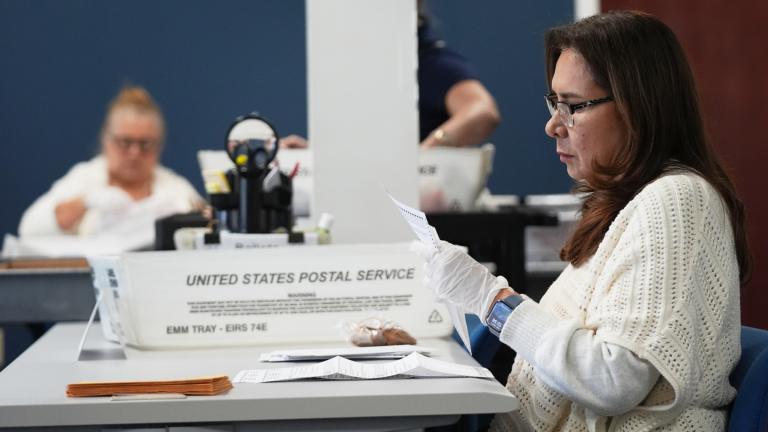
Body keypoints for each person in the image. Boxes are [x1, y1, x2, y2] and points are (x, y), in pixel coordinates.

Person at [413, 11, 749, 431]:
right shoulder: (620, 206)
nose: (553, 125)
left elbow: (612, 378)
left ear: (637, 106)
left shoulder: (679, 197)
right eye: (555, 104)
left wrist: (493, 302)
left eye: (572, 106)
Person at [280, 5, 500, 150]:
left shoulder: (431, 63)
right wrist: (315, 160)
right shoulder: (366, 71)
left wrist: (426, 155)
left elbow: (482, 112)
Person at [18, 85, 204, 247]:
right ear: (106, 140)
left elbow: (207, 227)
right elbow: (29, 229)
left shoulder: (176, 189)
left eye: (145, 144)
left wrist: (187, 218)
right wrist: (83, 203)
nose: (134, 153)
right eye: (125, 142)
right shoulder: (85, 178)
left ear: (160, 146)